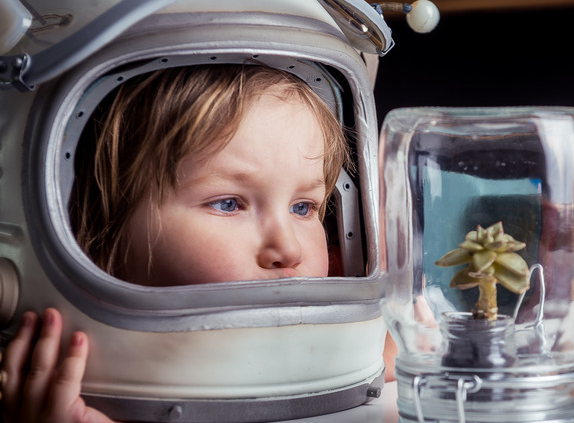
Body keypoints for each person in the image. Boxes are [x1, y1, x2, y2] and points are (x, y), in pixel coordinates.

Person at [1, 63, 392, 422]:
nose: (289, 250)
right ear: (109, 226)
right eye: (228, 204)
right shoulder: (78, 404)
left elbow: (403, 349)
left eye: (304, 208)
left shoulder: (344, 310)